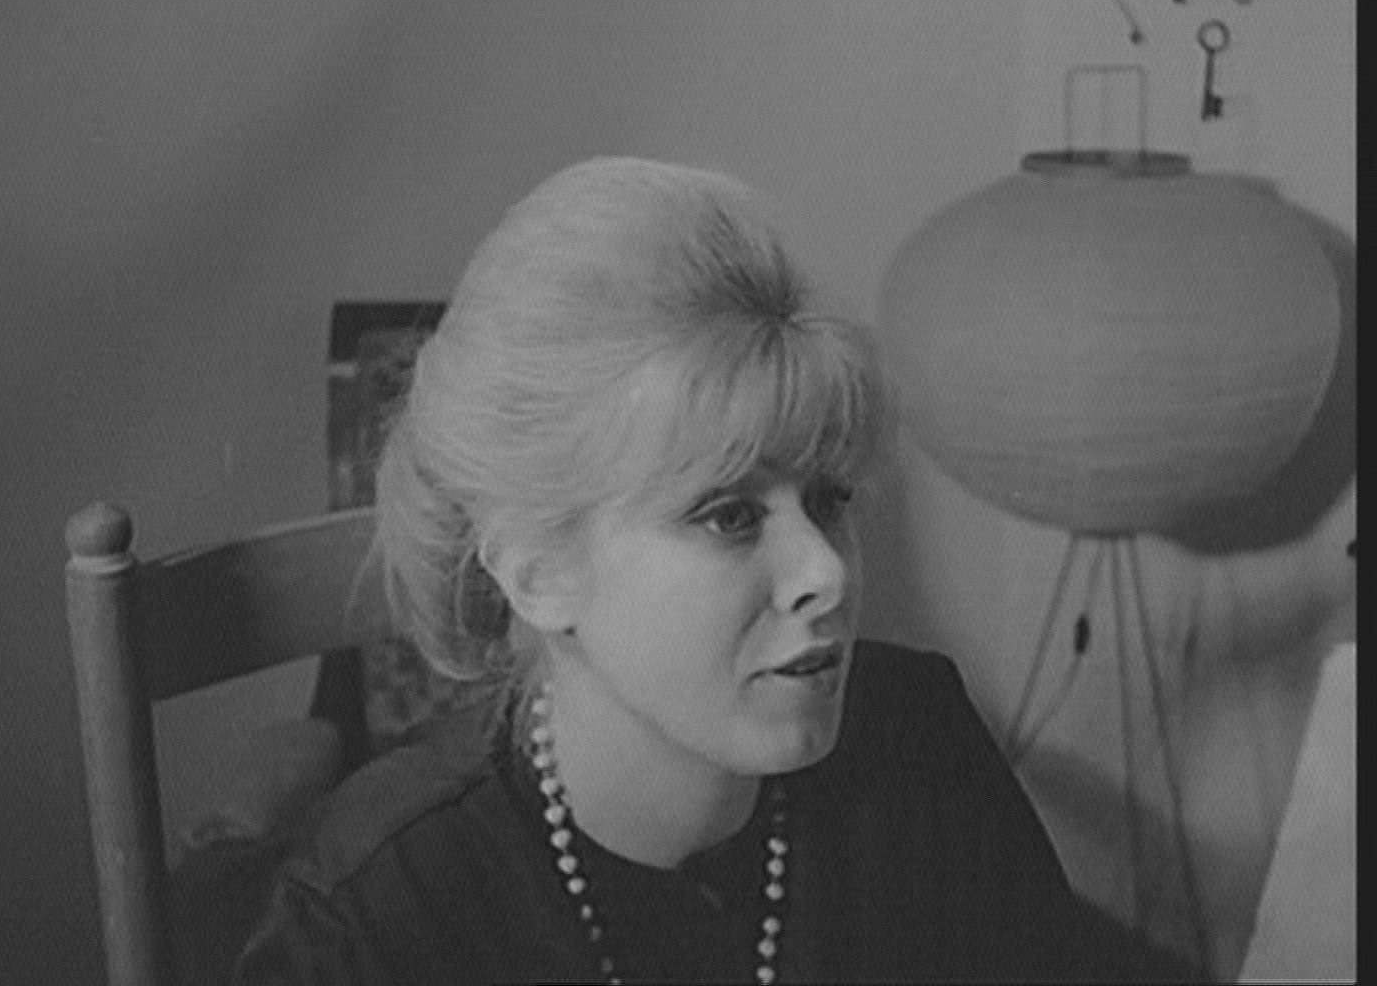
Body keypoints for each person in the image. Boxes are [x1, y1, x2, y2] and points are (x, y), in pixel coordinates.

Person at [234, 157, 1200, 984]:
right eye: (729, 515)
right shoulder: (373, 913)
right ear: (537, 576)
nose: (826, 571)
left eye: (829, 498)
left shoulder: (921, 749)